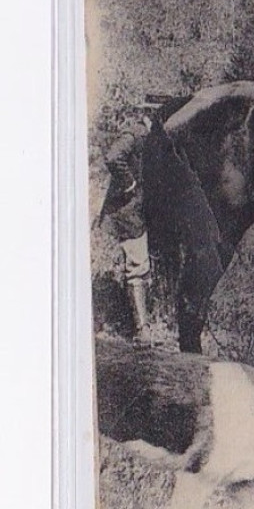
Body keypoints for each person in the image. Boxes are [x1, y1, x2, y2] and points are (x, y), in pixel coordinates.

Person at [100, 104, 161, 338]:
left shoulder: (152, 138)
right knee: (137, 266)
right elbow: (113, 157)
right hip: (126, 212)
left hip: (135, 211)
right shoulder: (136, 134)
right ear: (151, 115)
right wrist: (130, 184)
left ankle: (143, 326)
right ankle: (142, 330)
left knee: (140, 266)